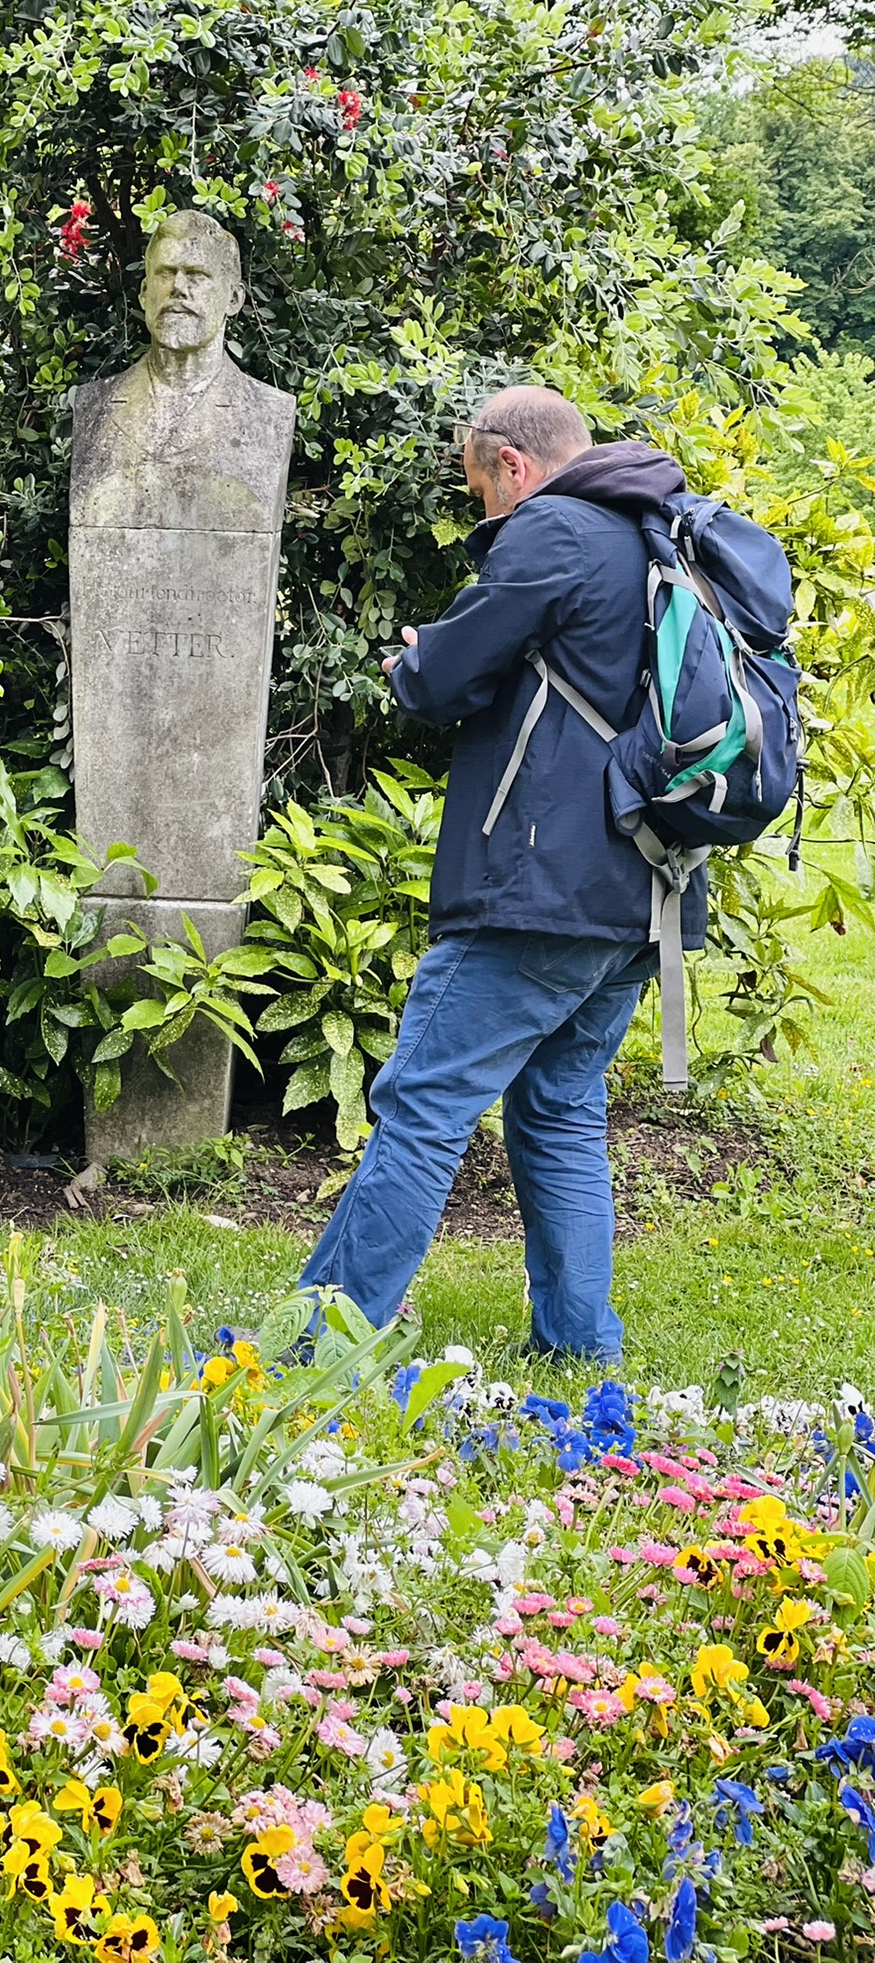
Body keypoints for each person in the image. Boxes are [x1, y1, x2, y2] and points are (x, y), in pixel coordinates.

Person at [300, 385, 702, 1363]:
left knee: (424, 1103)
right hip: (648, 888)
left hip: (541, 888)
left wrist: (416, 660)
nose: (486, 510)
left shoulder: (555, 529)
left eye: (481, 490)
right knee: (561, 1109)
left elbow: (440, 678)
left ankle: (315, 1350)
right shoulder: (663, 535)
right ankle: (577, 1347)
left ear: (509, 463)